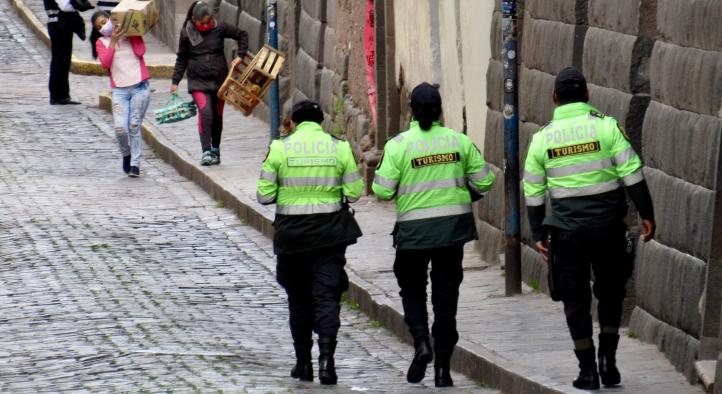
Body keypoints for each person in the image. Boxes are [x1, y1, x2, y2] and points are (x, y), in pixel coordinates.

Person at [522, 67, 656, 390]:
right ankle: (608, 360)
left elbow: (534, 192)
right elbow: (633, 174)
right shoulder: (607, 128)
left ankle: (587, 370)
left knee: (575, 299)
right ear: (587, 95)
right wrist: (646, 213)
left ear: (554, 99)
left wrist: (538, 233)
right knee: (611, 292)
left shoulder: (541, 140)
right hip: (608, 228)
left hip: (567, 234)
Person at [372, 83, 495, 388]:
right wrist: (460, 195)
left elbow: (382, 190)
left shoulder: (399, 145)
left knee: (412, 291)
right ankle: (443, 370)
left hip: (413, 233)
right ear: (440, 111)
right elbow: (485, 181)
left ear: (410, 111)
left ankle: (420, 343)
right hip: (451, 233)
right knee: (446, 299)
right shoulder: (459, 141)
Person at [256, 100, 364, 385]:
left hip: (292, 237)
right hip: (329, 236)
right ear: (320, 121)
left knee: (299, 299)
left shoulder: (280, 147)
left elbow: (264, 195)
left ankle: (303, 363)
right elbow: (354, 192)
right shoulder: (338, 147)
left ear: (295, 121)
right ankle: (327, 361)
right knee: (327, 296)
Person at [171, 1, 248, 166]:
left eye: (208, 22)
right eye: (202, 23)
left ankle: (215, 149)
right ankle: (205, 151)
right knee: (206, 112)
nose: (206, 25)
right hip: (198, 81)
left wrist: (241, 55)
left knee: (217, 116)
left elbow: (242, 34)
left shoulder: (219, 27)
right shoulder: (187, 33)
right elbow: (182, 58)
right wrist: (175, 81)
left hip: (220, 80)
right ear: (194, 19)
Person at [91, 10, 151, 177]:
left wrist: (131, 35)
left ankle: (135, 165)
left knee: (133, 125)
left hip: (139, 87)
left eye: (105, 21)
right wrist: (113, 43)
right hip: (119, 91)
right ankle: (126, 154)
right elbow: (105, 63)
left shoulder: (130, 35)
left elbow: (141, 52)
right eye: (99, 26)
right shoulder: (101, 42)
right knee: (120, 129)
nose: (104, 27)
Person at [43, 0, 91, 105]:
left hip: (61, 25)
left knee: (63, 60)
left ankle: (62, 95)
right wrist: (79, 5)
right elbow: (65, 6)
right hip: (59, 26)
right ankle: (58, 95)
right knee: (60, 61)